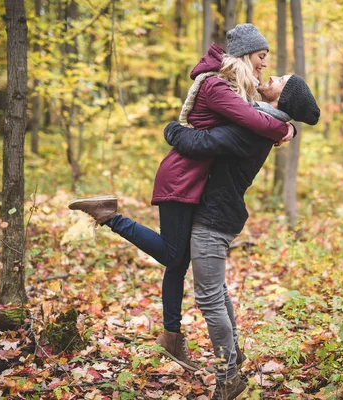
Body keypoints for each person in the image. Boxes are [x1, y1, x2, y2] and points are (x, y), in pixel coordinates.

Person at [68, 24, 294, 371]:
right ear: (247, 55)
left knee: (178, 262)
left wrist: (283, 120)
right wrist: (286, 126)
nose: (265, 64)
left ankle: (172, 338)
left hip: (193, 181)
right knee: (174, 256)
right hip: (181, 178)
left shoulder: (231, 87)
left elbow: (249, 116)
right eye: (261, 57)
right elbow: (251, 119)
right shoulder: (217, 86)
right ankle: (110, 216)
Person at [164, 74, 320, 399]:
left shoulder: (254, 129)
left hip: (214, 217)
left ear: (283, 96)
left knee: (208, 298)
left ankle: (228, 378)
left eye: (279, 79)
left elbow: (200, 144)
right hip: (220, 213)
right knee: (217, 292)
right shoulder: (263, 122)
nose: (271, 75)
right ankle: (234, 355)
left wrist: (172, 129)